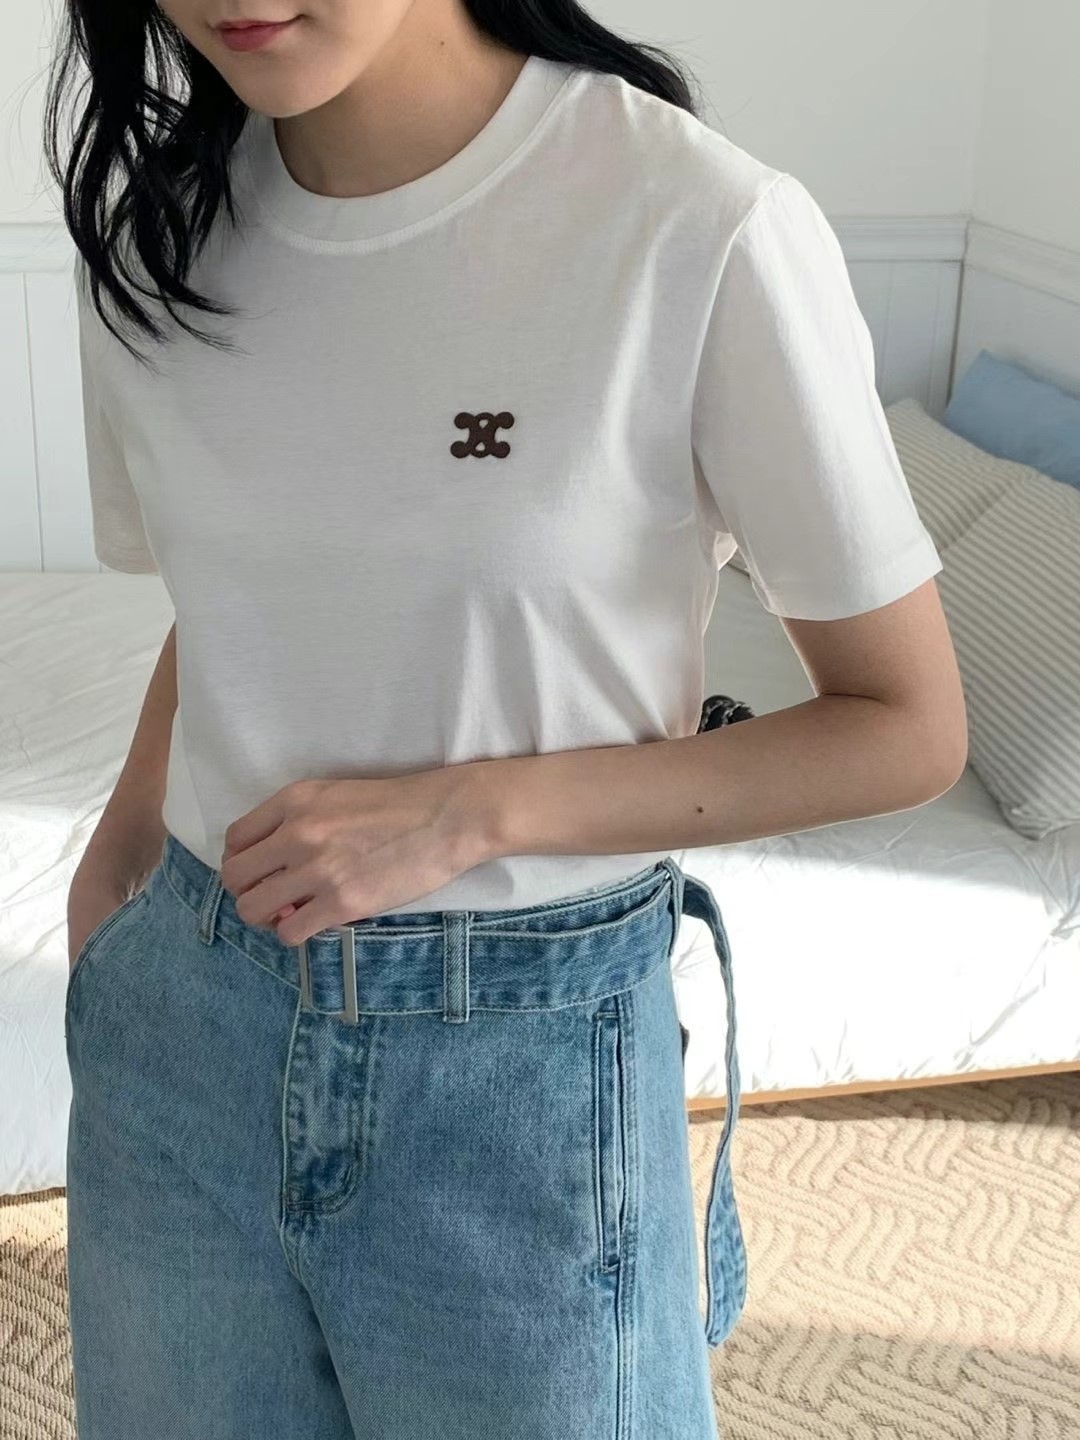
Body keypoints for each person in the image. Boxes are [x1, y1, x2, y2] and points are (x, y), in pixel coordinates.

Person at [45, 0, 967, 1434]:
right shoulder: (156, 238)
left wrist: (474, 813)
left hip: (520, 1073)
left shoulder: (696, 224)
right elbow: (237, 597)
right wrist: (119, 868)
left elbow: (905, 725)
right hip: (184, 1024)